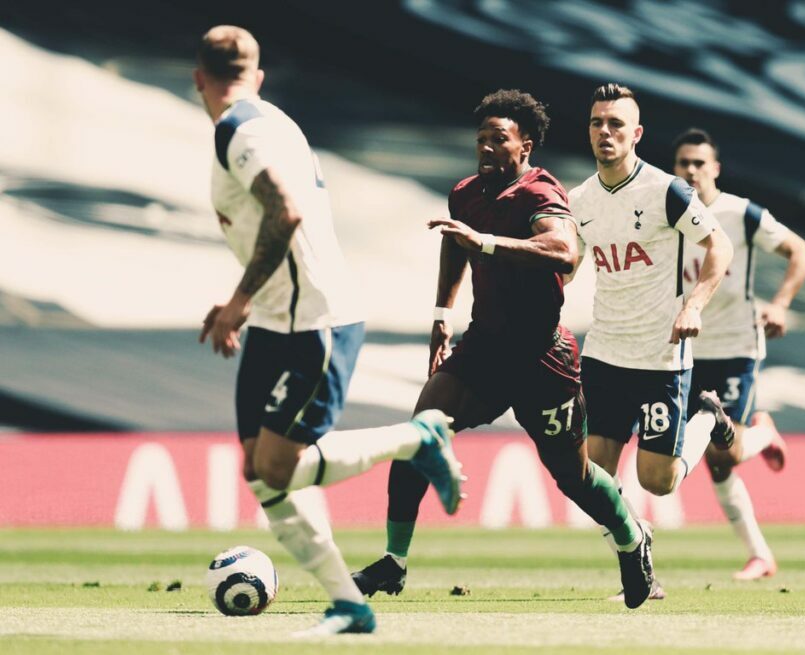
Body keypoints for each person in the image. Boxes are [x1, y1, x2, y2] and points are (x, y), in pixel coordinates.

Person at [194, 25, 464, 636]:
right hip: (278, 317)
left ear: (198, 78)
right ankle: (349, 604)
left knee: (278, 466)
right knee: (259, 470)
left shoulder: (241, 130)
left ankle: (417, 438)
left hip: (314, 319)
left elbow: (286, 211)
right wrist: (250, 303)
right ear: (258, 76)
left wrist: (238, 300)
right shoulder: (275, 122)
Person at [352, 89, 657, 609]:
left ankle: (632, 541)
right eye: (481, 139)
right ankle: (393, 562)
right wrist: (442, 314)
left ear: (525, 146)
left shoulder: (540, 192)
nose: (487, 148)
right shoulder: (466, 193)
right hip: (484, 350)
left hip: (542, 358)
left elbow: (564, 251)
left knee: (574, 477)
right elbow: (456, 240)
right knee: (416, 438)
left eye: (499, 139)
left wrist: (487, 243)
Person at [567, 84, 736, 601]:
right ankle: (637, 550)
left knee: (658, 481)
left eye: (616, 124)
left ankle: (707, 417)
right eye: (597, 123)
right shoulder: (579, 200)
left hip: (661, 357)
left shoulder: (666, 191)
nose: (605, 132)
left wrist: (693, 306)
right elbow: (567, 269)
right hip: (604, 353)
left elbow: (719, 246)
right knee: (590, 478)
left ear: (636, 134)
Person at [673, 127, 805, 580]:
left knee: (725, 453)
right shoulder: (665, 213)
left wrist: (781, 303)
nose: (691, 170)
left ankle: (764, 434)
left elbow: (801, 251)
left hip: (736, 348)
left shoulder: (742, 214)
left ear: (715, 168)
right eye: (683, 163)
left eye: (699, 163)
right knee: (717, 463)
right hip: (686, 350)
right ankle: (761, 556)